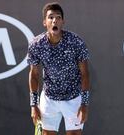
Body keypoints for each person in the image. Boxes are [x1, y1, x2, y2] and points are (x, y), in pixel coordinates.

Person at [27, 2, 90, 135]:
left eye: (58, 17)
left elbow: (85, 74)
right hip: (49, 100)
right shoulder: (36, 45)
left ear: (63, 22)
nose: (54, 20)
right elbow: (34, 75)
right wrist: (34, 104)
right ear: (45, 22)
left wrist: (84, 103)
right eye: (50, 17)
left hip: (73, 98)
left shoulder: (76, 42)